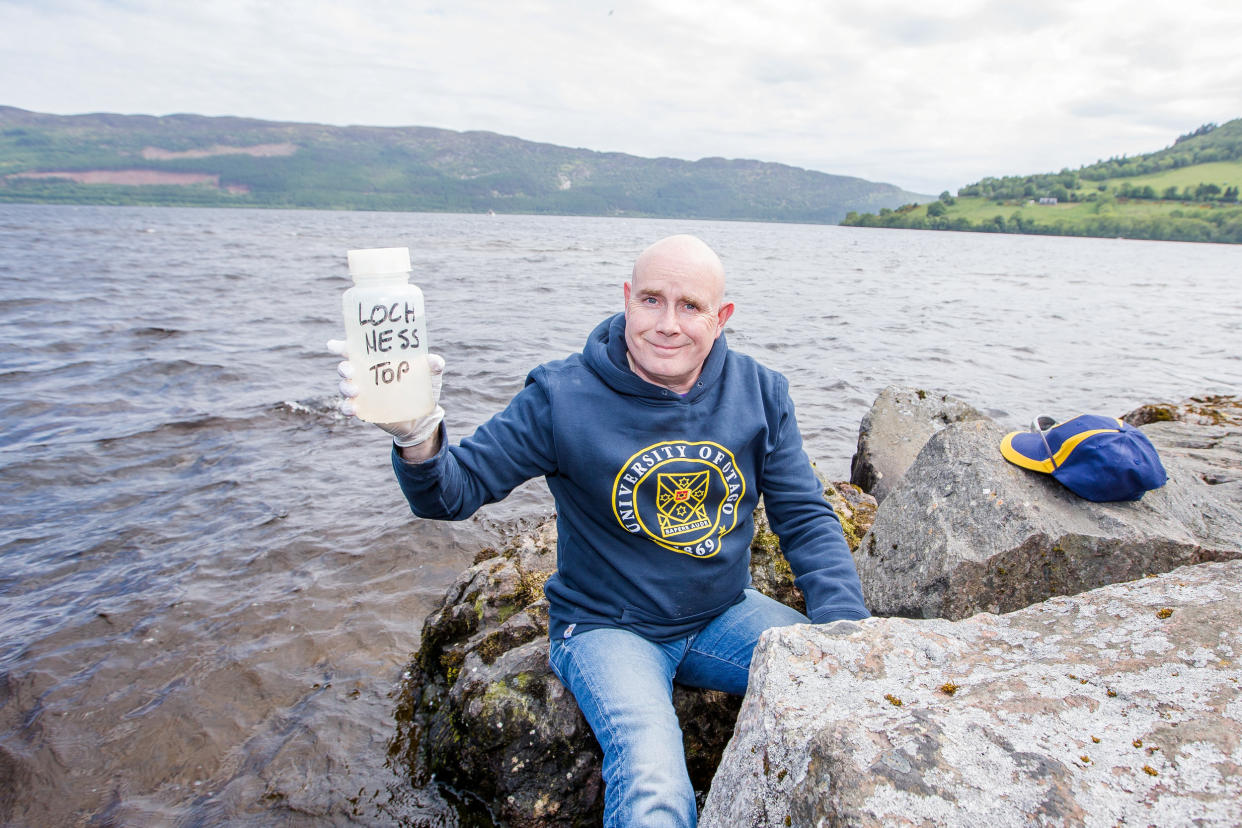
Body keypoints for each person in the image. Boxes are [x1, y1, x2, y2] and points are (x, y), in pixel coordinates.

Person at [333, 234, 869, 827]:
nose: (667, 323)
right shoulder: (562, 396)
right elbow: (453, 493)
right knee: (656, 784)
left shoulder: (761, 393)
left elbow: (804, 518)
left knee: (849, 689)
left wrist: (847, 632)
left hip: (723, 614)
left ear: (721, 318)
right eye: (651, 300)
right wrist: (416, 437)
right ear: (625, 299)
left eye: (690, 306)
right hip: (606, 630)